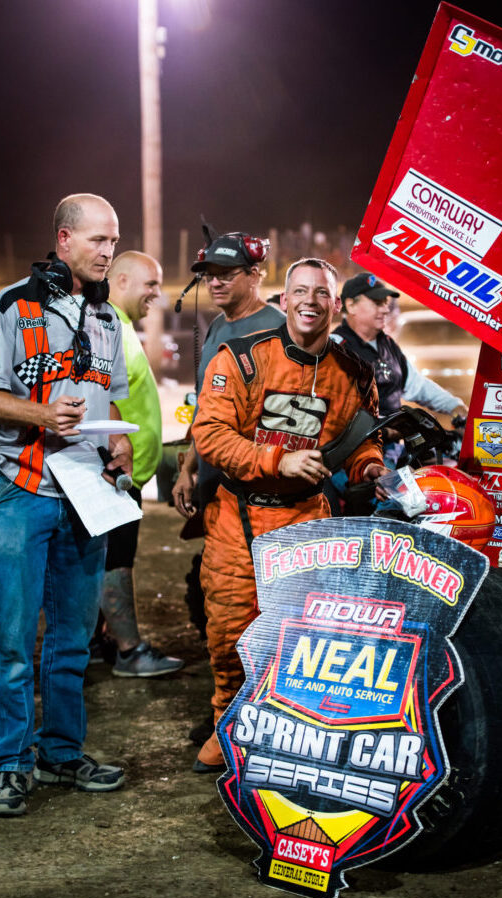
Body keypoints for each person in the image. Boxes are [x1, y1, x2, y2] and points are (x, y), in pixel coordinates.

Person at [190, 257, 387, 772]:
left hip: (308, 520)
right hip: (240, 517)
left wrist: (372, 471)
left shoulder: (355, 372)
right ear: (283, 301)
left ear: (334, 303)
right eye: (299, 291)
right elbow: (210, 435)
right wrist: (278, 459)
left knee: (302, 638)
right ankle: (226, 725)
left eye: (320, 293)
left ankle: (290, 731)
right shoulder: (242, 358)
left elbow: (364, 441)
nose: (309, 301)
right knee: (230, 631)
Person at [0, 193, 132, 816]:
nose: (108, 251)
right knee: (14, 640)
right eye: (98, 239)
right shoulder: (11, 306)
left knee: (73, 639)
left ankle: (59, 753)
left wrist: (121, 446)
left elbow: (113, 402)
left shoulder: (109, 321)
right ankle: (7, 764)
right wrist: (42, 414)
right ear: (64, 239)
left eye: (113, 240)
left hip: (87, 497)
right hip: (19, 490)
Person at [171, 230, 285, 745]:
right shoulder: (217, 324)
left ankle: (258, 718)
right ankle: (229, 711)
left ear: (256, 274)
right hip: (219, 495)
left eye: (227, 273)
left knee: (262, 614)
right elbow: (206, 408)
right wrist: (188, 465)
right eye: (209, 274)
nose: (215, 282)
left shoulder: (280, 329)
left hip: (265, 500)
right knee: (218, 607)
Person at [95, 251, 184, 677]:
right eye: (150, 284)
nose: (157, 293)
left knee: (106, 557)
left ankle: (100, 639)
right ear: (122, 280)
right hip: (113, 474)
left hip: (126, 475)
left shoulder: (122, 325)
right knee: (116, 559)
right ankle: (129, 651)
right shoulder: (105, 324)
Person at [332, 273, 468, 422]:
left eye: (385, 303)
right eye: (377, 303)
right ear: (351, 305)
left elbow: (417, 385)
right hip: (358, 444)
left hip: (392, 442)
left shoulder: (388, 344)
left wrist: (454, 405)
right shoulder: (335, 347)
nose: (385, 310)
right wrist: (382, 427)